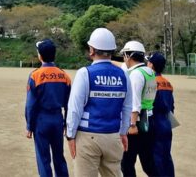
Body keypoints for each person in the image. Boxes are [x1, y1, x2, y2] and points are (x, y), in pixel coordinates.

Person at [66, 28, 132, 177]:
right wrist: (123, 132)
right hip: (113, 136)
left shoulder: (85, 73)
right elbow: (127, 107)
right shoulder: (124, 75)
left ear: (91, 50)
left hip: (88, 137)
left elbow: (75, 108)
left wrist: (70, 135)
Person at [25, 39, 72, 177]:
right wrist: (65, 123)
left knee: (43, 158)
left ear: (40, 55)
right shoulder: (64, 76)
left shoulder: (35, 75)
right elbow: (69, 103)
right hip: (57, 119)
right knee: (59, 156)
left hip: (41, 120)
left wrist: (29, 125)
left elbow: (30, 104)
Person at [120, 40, 157, 177]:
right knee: (148, 162)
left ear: (129, 56)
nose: (124, 58)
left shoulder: (135, 75)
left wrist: (132, 124)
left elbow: (135, 103)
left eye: (124, 55)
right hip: (148, 119)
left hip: (137, 123)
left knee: (127, 163)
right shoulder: (148, 71)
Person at [147, 52, 174, 177]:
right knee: (166, 156)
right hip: (166, 123)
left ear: (151, 65)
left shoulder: (151, 82)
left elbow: (147, 105)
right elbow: (172, 107)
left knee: (156, 157)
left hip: (155, 124)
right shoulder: (167, 83)